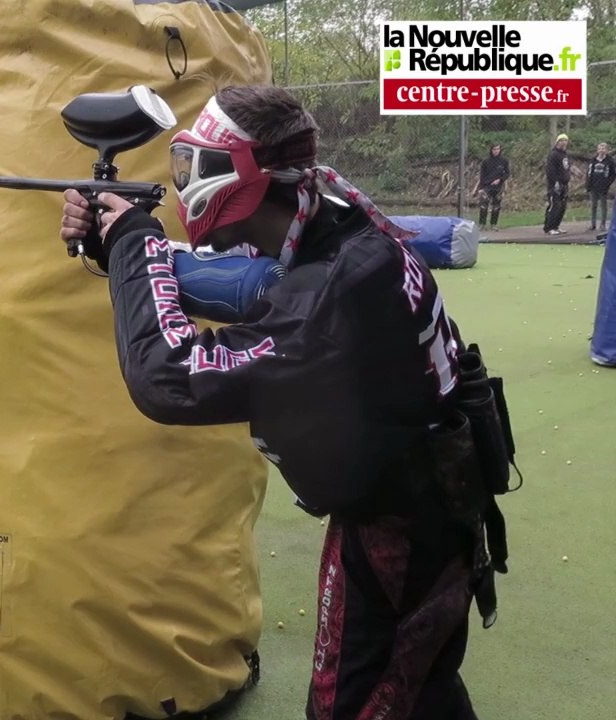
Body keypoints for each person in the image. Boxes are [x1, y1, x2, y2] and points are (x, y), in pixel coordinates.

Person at [60, 85, 509, 720]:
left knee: (357, 705)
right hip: (429, 502)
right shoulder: (338, 223)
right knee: (420, 690)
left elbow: (168, 377)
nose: (184, 181)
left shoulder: (333, 292)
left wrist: (136, 245)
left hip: (404, 530)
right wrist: (121, 248)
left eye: (193, 166)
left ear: (238, 176)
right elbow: (250, 286)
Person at [476, 144, 509, 230]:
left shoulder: (504, 161)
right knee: (483, 205)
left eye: (498, 149)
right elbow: (482, 175)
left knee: (496, 206)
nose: (496, 151)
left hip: (498, 187)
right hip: (487, 186)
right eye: (494, 149)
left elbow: (507, 173)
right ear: (491, 150)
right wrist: (481, 188)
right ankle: (482, 224)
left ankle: (493, 224)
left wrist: (500, 180)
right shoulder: (486, 161)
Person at [543, 133, 571, 235]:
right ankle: (549, 227)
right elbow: (550, 171)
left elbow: (566, 168)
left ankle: (556, 226)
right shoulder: (553, 154)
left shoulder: (565, 154)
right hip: (555, 185)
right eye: (562, 140)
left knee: (562, 207)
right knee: (555, 206)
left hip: (564, 184)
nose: (564, 143)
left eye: (565, 141)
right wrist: (555, 183)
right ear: (557, 142)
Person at [585, 142, 615, 232]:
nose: (601, 150)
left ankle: (603, 224)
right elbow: (589, 172)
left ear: (607, 150)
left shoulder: (610, 161)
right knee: (593, 205)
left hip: (603, 187)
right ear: (597, 150)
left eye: (603, 149)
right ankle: (593, 224)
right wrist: (588, 185)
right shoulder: (593, 160)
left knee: (603, 205)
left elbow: (613, 174)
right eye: (600, 149)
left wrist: (607, 183)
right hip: (593, 186)